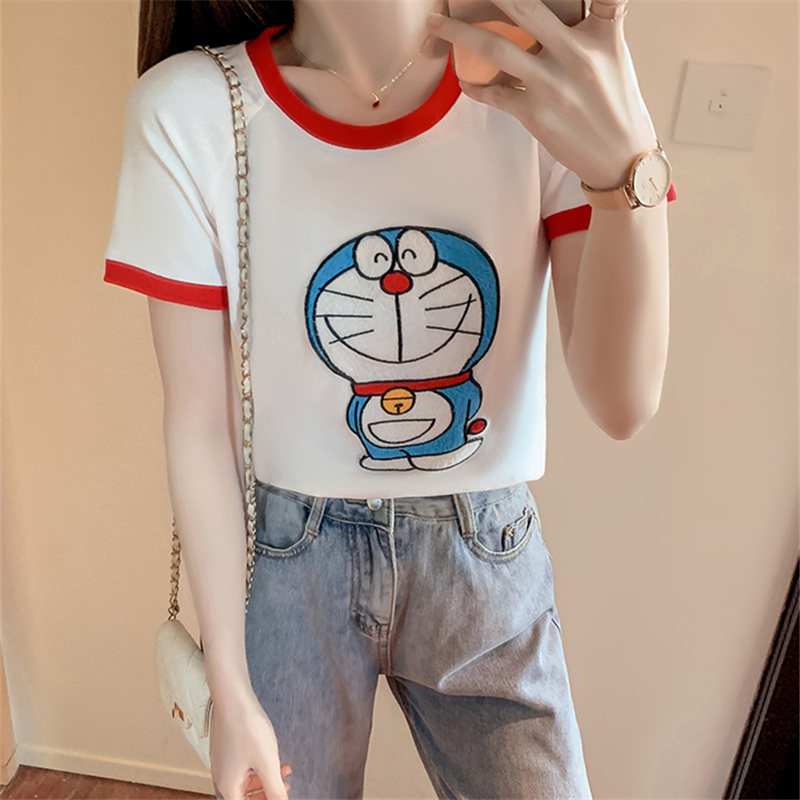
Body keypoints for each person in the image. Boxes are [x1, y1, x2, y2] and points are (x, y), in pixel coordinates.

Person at [104, 1, 675, 798]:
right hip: (289, 558)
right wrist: (227, 682)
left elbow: (623, 404)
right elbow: (198, 424)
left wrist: (628, 170)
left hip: (483, 549)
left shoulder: (536, 86)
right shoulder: (193, 107)